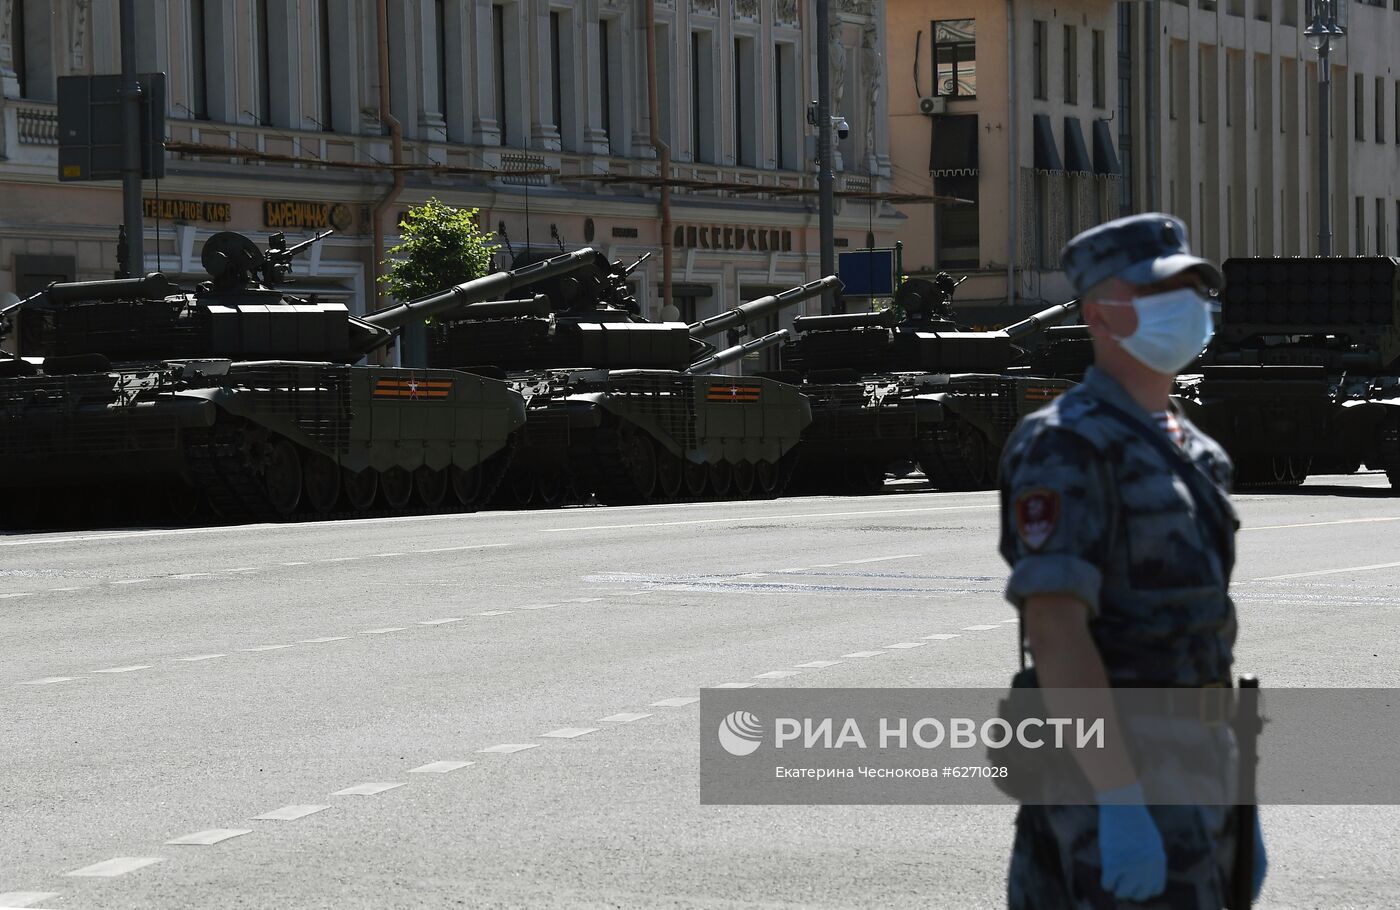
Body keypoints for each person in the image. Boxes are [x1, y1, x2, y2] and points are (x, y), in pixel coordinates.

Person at [997, 213, 1267, 908]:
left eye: (1191, 289)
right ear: (1099, 314)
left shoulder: (1197, 452)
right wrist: (1118, 799)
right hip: (1119, 767)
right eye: (1155, 292)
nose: (1185, 306)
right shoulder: (1067, 445)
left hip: (1205, 762)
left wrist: (1240, 801)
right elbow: (1058, 633)